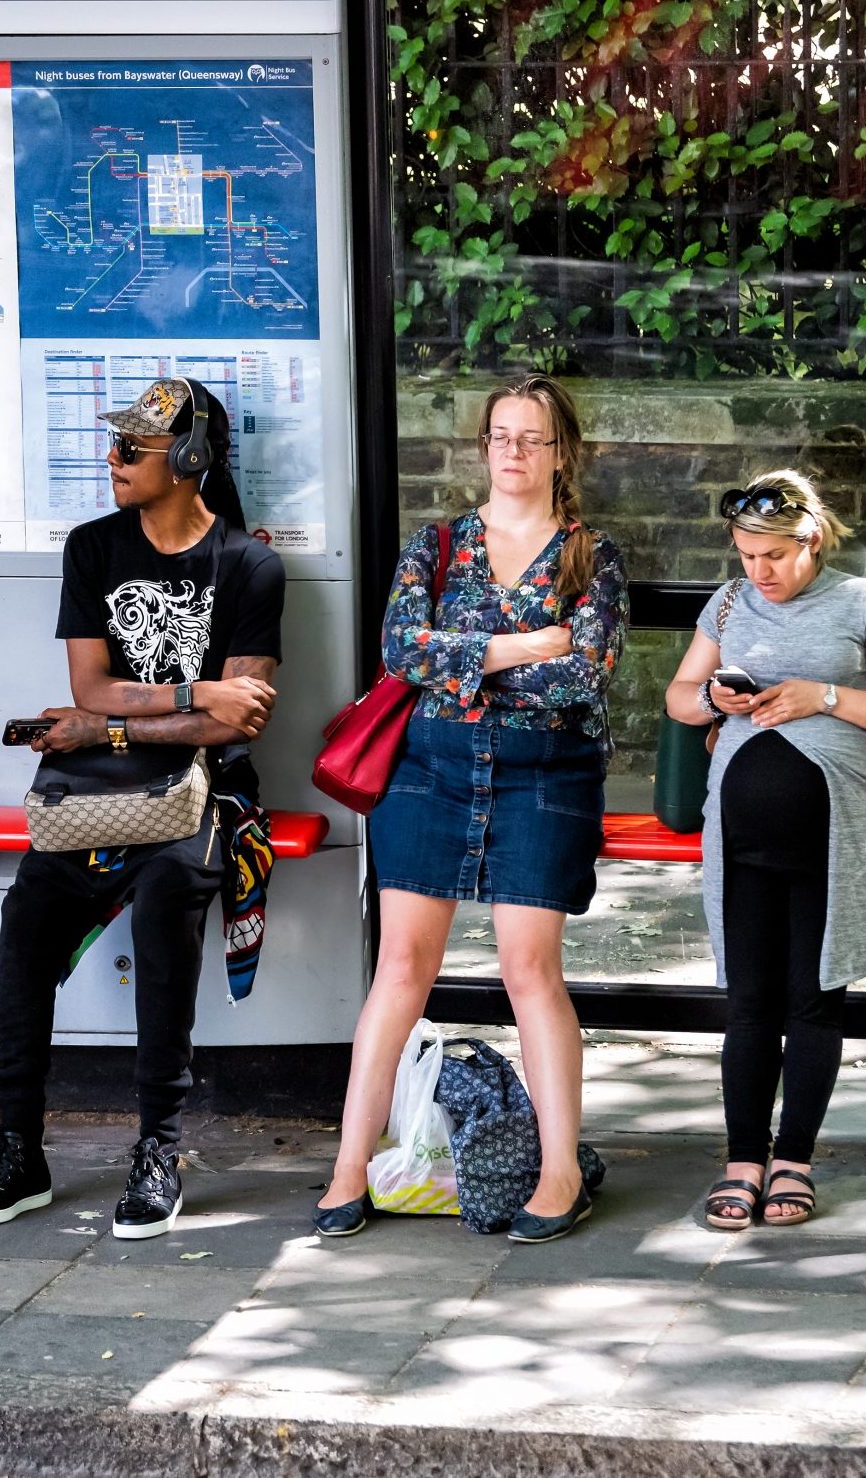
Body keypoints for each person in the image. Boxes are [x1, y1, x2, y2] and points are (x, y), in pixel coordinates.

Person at [0, 377, 284, 1240]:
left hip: (197, 794)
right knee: (25, 922)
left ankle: (157, 1151)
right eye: (115, 445)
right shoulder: (92, 547)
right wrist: (189, 691)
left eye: (131, 449)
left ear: (188, 459)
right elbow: (88, 686)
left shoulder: (249, 565)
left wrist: (113, 723)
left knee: (169, 909)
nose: (112, 460)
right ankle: (17, 1148)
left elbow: (236, 715)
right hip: (94, 795)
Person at [314, 374, 629, 1245]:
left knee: (530, 972)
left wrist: (462, 662)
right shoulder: (437, 543)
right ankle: (348, 1165)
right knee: (401, 970)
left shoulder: (590, 554)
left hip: (545, 773)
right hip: (430, 769)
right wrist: (519, 645)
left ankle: (559, 1171)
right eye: (501, 435)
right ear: (482, 444)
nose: (514, 452)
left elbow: (583, 673)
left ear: (562, 451)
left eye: (532, 438)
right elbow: (398, 649)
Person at [664, 470, 866, 1230]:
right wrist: (714, 698)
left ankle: (793, 1162)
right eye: (746, 555)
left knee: (812, 1001)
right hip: (739, 839)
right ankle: (742, 1159)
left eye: (773, 556)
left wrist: (825, 696)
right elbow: (680, 696)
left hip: (833, 837)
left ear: (810, 540)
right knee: (746, 1004)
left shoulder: (864, 604)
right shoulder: (726, 602)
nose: (758, 572)